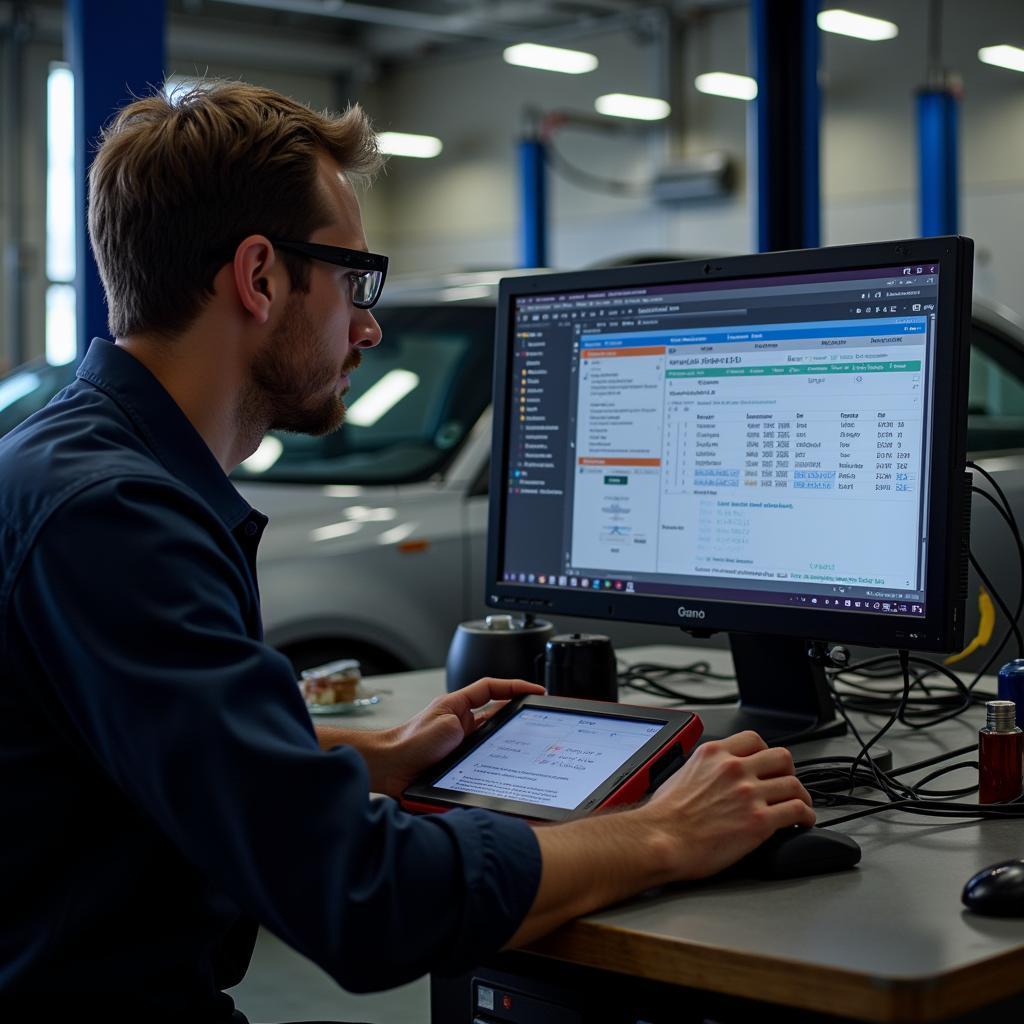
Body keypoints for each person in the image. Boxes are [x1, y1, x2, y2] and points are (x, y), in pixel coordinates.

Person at [0, 81, 815, 1021]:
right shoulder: (117, 520)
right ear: (259, 278)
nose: (369, 323)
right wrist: (668, 833)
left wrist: (372, 759)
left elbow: (144, 760)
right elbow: (364, 896)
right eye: (356, 278)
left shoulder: (73, 464)